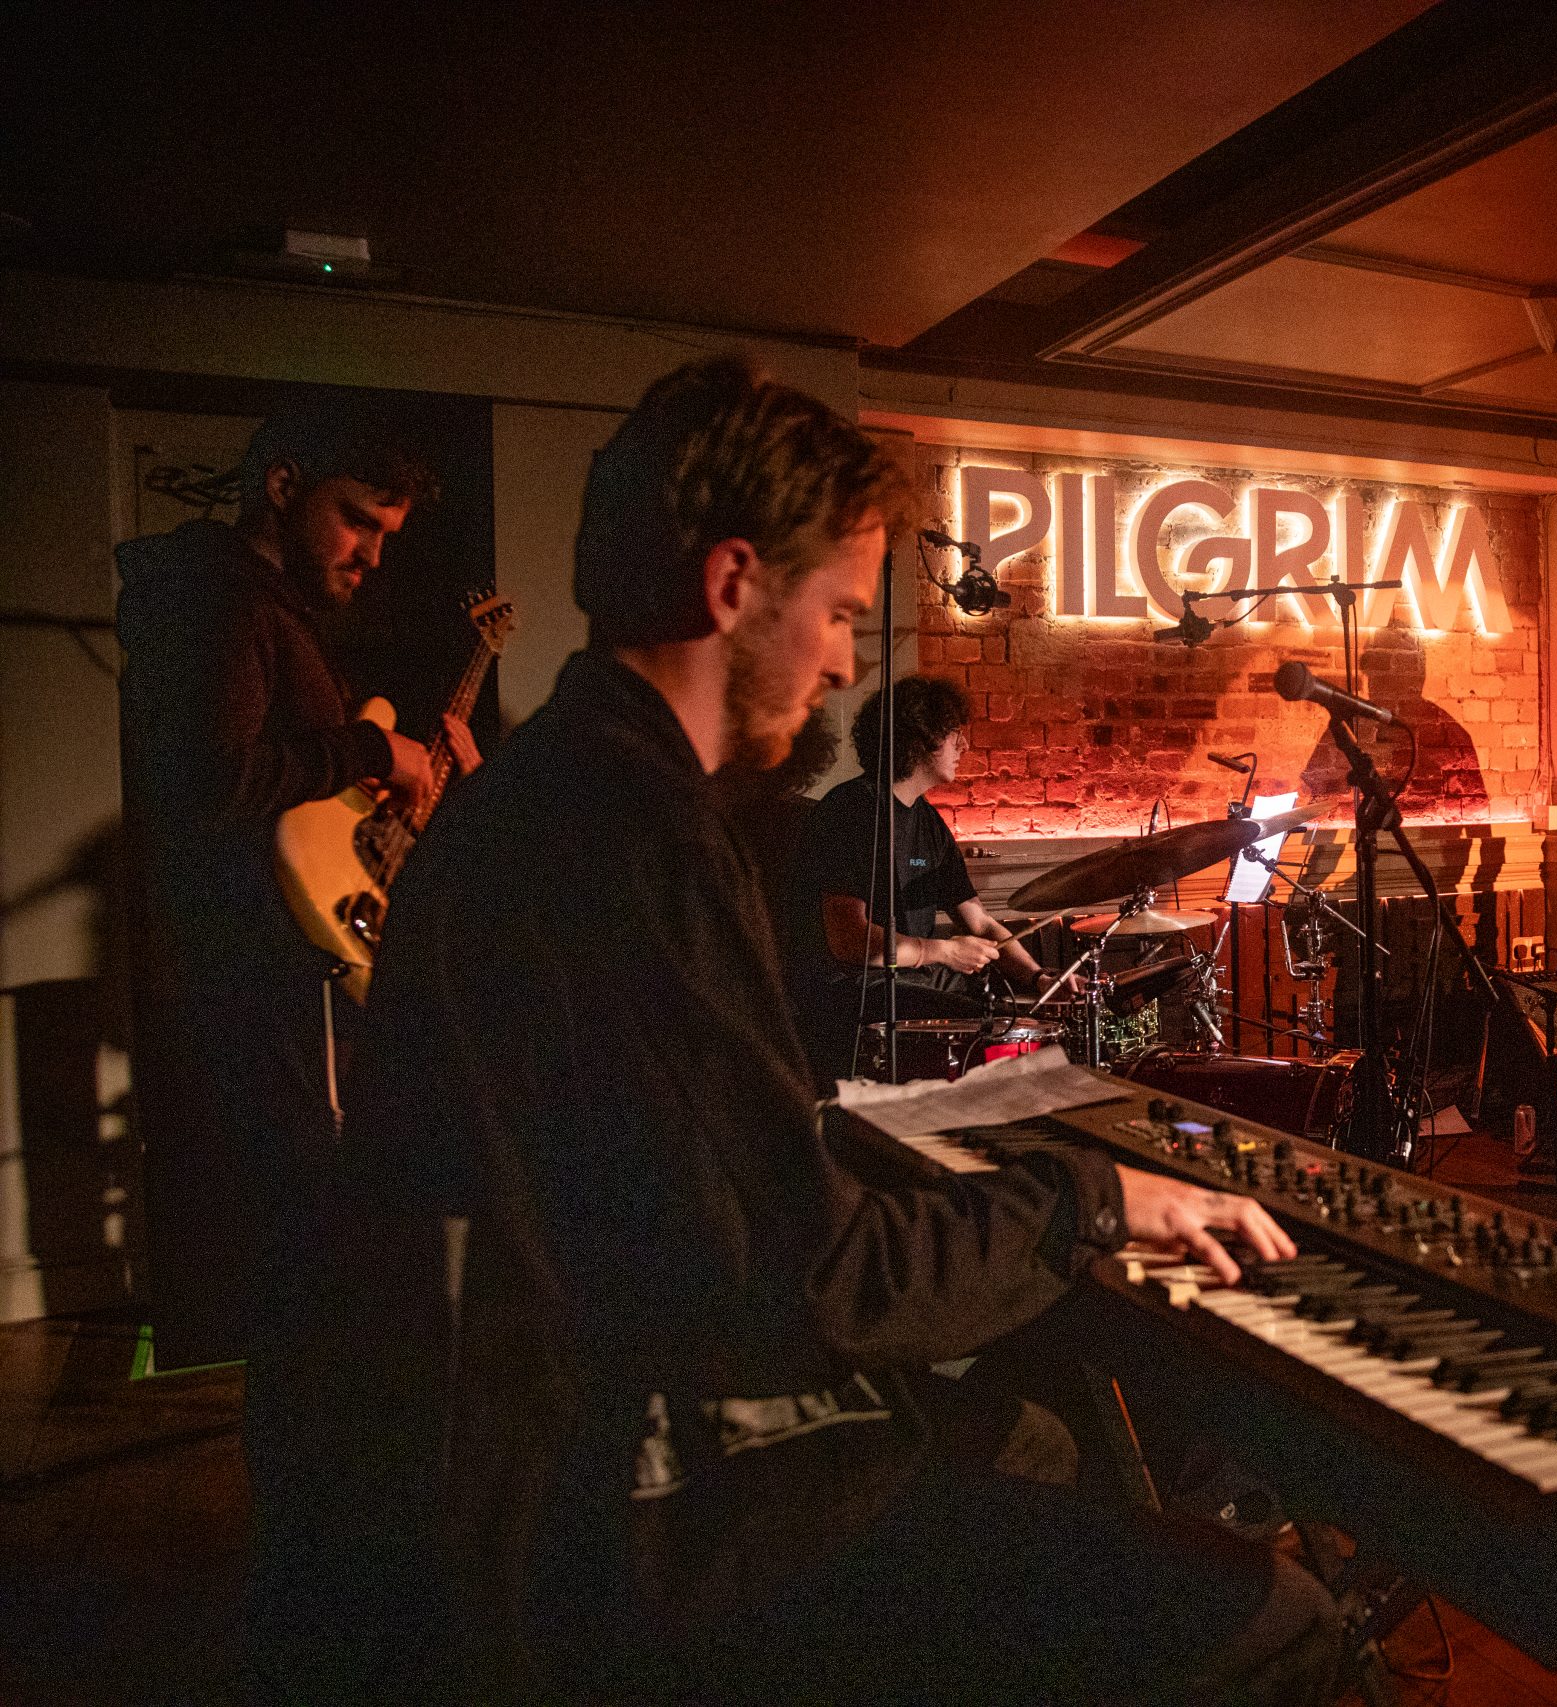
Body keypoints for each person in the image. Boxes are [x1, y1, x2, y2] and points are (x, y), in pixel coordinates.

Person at [327, 357, 1335, 1704]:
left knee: (1035, 1436)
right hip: (635, 1514)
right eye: (843, 612)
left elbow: (684, 1178)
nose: (849, 661)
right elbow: (819, 1281)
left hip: (545, 1441)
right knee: (1279, 1615)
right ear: (734, 583)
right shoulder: (640, 838)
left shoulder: (536, 795)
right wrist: (1091, 1199)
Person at [113, 393, 471, 1680]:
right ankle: (324, 1595)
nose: (370, 554)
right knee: (315, 1294)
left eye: (387, 534)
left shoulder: (259, 611)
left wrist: (395, 774)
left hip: (289, 993)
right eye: (355, 520)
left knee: (323, 1300)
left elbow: (291, 815)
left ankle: (325, 1574)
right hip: (262, 1004)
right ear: (281, 486)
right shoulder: (219, 604)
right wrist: (367, 743)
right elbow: (211, 784)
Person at [787, 673, 1058, 1079]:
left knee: (1018, 1015)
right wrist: (945, 952)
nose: (964, 746)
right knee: (984, 1028)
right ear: (919, 739)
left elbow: (981, 924)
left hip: (917, 981)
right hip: (858, 990)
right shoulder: (851, 811)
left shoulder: (928, 822)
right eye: (953, 734)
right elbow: (849, 940)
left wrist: (1039, 978)